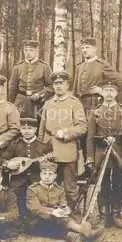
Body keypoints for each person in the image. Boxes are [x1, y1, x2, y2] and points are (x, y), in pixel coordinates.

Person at [39, 71, 86, 215]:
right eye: (55, 84)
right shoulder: (48, 103)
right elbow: (42, 128)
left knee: (69, 187)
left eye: (61, 83)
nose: (58, 86)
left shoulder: (74, 103)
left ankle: (74, 215)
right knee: (49, 184)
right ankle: (51, 215)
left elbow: (82, 127)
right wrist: (40, 148)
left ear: (67, 85)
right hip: (49, 151)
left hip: (67, 151)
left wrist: (65, 132)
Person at [26, 160, 103, 242]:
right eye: (44, 174)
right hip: (38, 222)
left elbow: (63, 205)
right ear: (40, 174)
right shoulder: (33, 189)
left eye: (50, 174)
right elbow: (35, 208)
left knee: (65, 218)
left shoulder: (59, 190)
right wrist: (53, 212)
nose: (47, 177)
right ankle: (82, 230)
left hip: (56, 222)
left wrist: (65, 210)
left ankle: (75, 236)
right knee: (58, 219)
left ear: (55, 176)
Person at [86, 81, 122, 229]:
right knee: (101, 183)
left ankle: (116, 214)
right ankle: (103, 214)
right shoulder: (95, 112)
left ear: (116, 93)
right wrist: (90, 157)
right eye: (106, 90)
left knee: (119, 182)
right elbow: (90, 136)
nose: (109, 93)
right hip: (100, 152)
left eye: (112, 90)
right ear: (101, 93)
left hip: (119, 152)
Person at [1, 117, 52, 219]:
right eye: (24, 128)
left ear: (35, 129)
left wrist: (44, 163)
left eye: (30, 128)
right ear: (20, 130)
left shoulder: (43, 145)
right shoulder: (15, 144)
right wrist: (7, 164)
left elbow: (50, 164)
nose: (27, 131)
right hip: (18, 180)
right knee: (13, 196)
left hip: (36, 179)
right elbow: (2, 159)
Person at [72, 38, 122, 113]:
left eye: (87, 47)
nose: (84, 50)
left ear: (94, 49)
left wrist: (102, 90)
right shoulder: (79, 67)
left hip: (96, 103)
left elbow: (120, 81)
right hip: (80, 104)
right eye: (82, 48)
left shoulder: (102, 65)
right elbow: (75, 90)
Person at [8, 40, 52, 118]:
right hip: (21, 102)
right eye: (26, 50)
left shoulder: (44, 67)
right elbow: (12, 88)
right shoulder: (17, 67)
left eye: (31, 50)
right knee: (19, 123)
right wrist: (11, 104)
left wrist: (40, 94)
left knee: (37, 124)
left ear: (36, 51)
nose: (28, 53)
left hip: (38, 103)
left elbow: (51, 86)